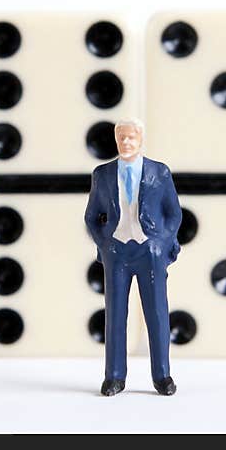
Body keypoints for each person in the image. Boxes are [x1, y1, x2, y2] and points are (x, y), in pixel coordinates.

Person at [84, 119, 182, 396]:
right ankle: (114, 376)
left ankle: (162, 375)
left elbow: (174, 212)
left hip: (149, 252)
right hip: (117, 252)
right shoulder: (102, 174)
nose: (126, 142)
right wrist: (105, 243)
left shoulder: (159, 172)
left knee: (157, 314)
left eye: (131, 137)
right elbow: (91, 216)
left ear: (140, 139)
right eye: (121, 138)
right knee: (115, 315)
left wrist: (161, 243)